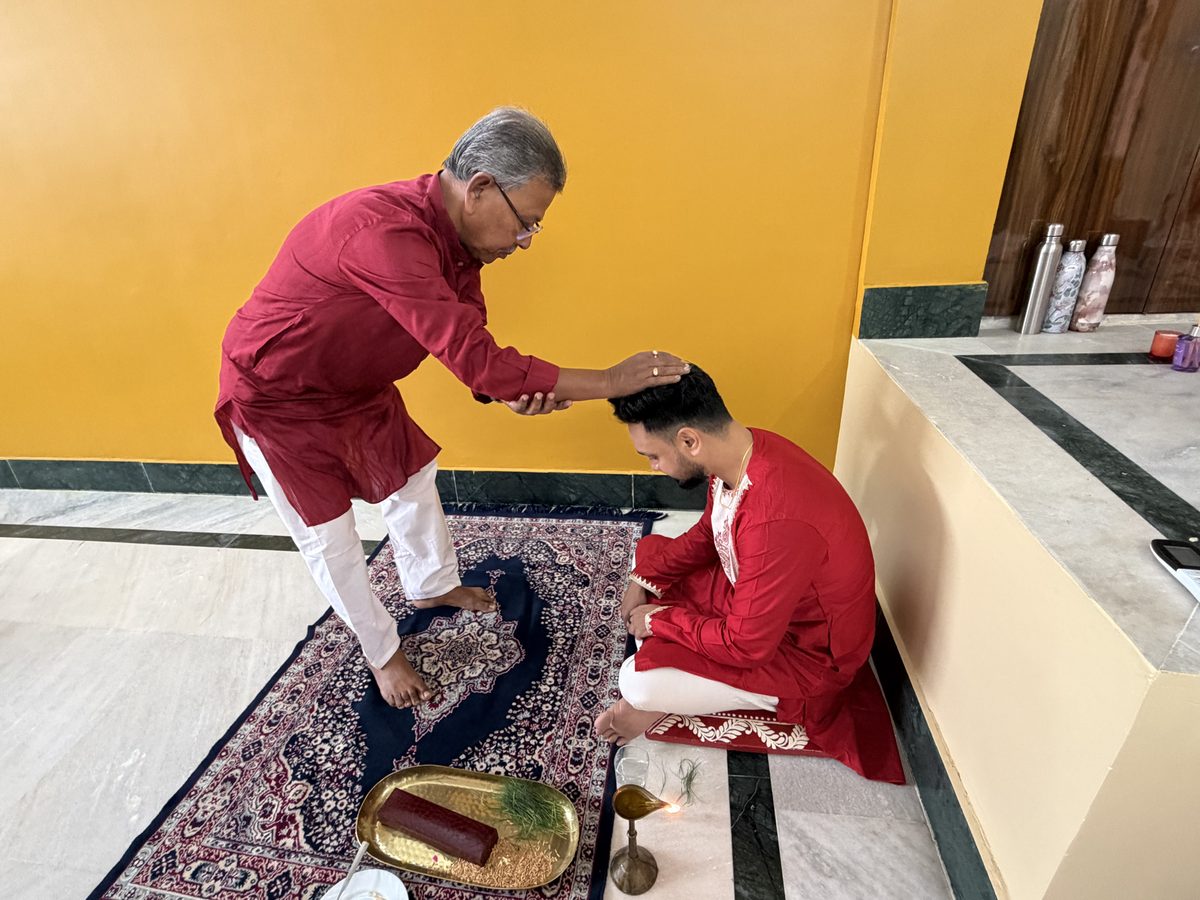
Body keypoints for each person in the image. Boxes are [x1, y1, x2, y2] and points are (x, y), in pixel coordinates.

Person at [215, 107, 688, 709]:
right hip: (278, 396)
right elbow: (476, 355)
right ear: (481, 188)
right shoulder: (383, 233)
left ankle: (431, 587)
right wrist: (610, 381)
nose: (524, 242)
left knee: (412, 480)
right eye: (527, 223)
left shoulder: (458, 245)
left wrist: (508, 392)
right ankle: (382, 654)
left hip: (355, 389)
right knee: (328, 535)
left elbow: (471, 346)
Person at [595, 366, 903, 782]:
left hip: (806, 654)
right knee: (652, 555)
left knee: (637, 684)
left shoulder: (774, 519)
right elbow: (709, 533)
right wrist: (643, 581)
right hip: (760, 596)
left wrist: (659, 619)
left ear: (689, 440)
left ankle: (660, 701)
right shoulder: (743, 451)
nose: (652, 466)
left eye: (653, 455)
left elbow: (746, 645)